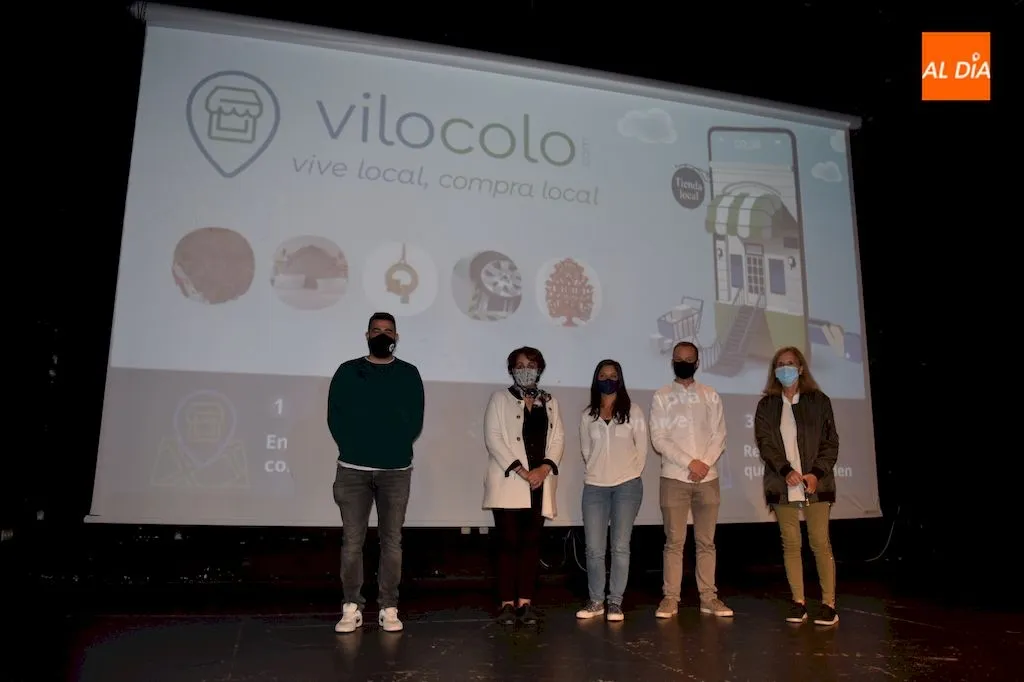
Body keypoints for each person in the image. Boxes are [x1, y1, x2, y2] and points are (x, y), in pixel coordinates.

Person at [327, 312, 425, 634]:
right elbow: (335, 418)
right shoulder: (348, 371)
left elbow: (415, 420)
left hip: (395, 471)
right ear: (366, 335)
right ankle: (351, 606)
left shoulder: (409, 374)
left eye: (388, 331)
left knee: (391, 541)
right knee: (352, 542)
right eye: (377, 330)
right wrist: (356, 447)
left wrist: (391, 447)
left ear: (396, 336)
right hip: (353, 470)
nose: (382, 335)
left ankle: (389, 606)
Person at [754, 346, 840, 626]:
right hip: (782, 483)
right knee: (791, 544)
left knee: (819, 542)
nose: (785, 368)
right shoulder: (767, 405)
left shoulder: (819, 401)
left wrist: (815, 473)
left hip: (817, 482)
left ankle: (828, 604)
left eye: (790, 363)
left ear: (801, 368)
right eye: (780, 364)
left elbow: (830, 443)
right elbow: (765, 443)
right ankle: (798, 602)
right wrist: (786, 470)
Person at [649, 341, 734, 619]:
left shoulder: (710, 395)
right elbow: (659, 439)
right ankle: (670, 598)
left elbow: (719, 435)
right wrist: (690, 463)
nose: (683, 362)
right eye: (678, 358)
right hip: (674, 477)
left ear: (697, 363)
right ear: (672, 361)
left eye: (688, 358)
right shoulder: (661, 396)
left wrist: (704, 464)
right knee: (674, 541)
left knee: (706, 541)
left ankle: (708, 597)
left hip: (708, 478)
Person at [483, 346, 565, 625]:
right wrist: (522, 471)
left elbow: (557, 440)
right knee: (508, 544)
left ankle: (525, 603)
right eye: (520, 365)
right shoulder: (499, 398)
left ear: (540, 369)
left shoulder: (550, 401)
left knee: (531, 544)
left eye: (531, 364)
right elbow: (494, 438)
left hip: (539, 482)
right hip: (510, 481)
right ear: (511, 369)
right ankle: (506, 603)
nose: (525, 369)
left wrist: (543, 469)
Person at [575, 359, 647, 622]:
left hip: (627, 486)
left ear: (620, 378)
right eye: (603, 375)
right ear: (596, 379)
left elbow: (642, 450)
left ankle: (615, 602)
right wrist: (600, 470)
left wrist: (629, 474)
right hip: (595, 487)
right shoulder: (587, 415)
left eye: (613, 375)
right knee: (594, 548)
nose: (608, 379)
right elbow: (586, 450)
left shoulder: (633, 410)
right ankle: (596, 601)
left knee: (619, 546)